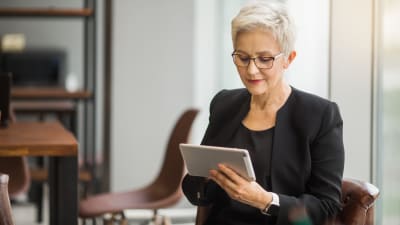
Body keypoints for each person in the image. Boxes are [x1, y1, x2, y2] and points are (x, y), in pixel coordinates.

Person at [182, 1, 345, 225]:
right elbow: (195, 190)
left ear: (289, 58)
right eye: (243, 57)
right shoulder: (224, 104)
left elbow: (326, 207)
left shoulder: (320, 115)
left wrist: (265, 200)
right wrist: (207, 180)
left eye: (265, 59)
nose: (251, 70)